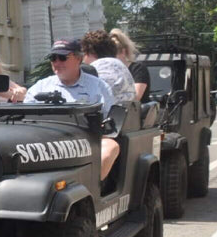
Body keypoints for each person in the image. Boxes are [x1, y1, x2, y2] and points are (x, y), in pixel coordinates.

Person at [25, 39, 119, 181]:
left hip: (87, 141)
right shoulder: (40, 87)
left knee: (111, 146)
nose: (57, 63)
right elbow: (26, 120)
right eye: (53, 58)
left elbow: (110, 124)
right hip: (46, 142)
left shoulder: (99, 87)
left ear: (79, 59)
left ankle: (89, 188)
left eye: (62, 58)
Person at [82, 30, 136, 103]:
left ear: (89, 53)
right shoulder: (121, 65)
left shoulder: (95, 70)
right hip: (126, 112)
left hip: (107, 113)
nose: (83, 60)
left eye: (83, 53)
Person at [110, 27, 149, 101]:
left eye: (113, 55)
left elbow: (136, 97)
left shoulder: (138, 68)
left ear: (123, 52)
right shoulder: (109, 71)